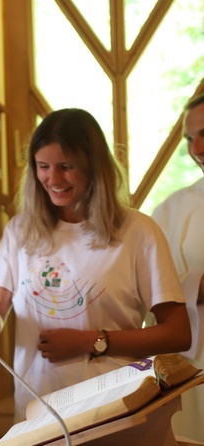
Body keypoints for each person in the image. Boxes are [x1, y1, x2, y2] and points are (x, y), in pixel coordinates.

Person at [0, 108, 191, 421]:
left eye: (66, 167)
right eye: (43, 167)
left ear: (94, 166)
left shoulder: (138, 232)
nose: (53, 179)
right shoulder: (19, 231)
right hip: (38, 410)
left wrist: (90, 342)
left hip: (114, 408)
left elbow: (178, 334)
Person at [151, 92, 204, 442]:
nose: (196, 148)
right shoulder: (173, 210)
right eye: (189, 138)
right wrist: (195, 287)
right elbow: (152, 293)